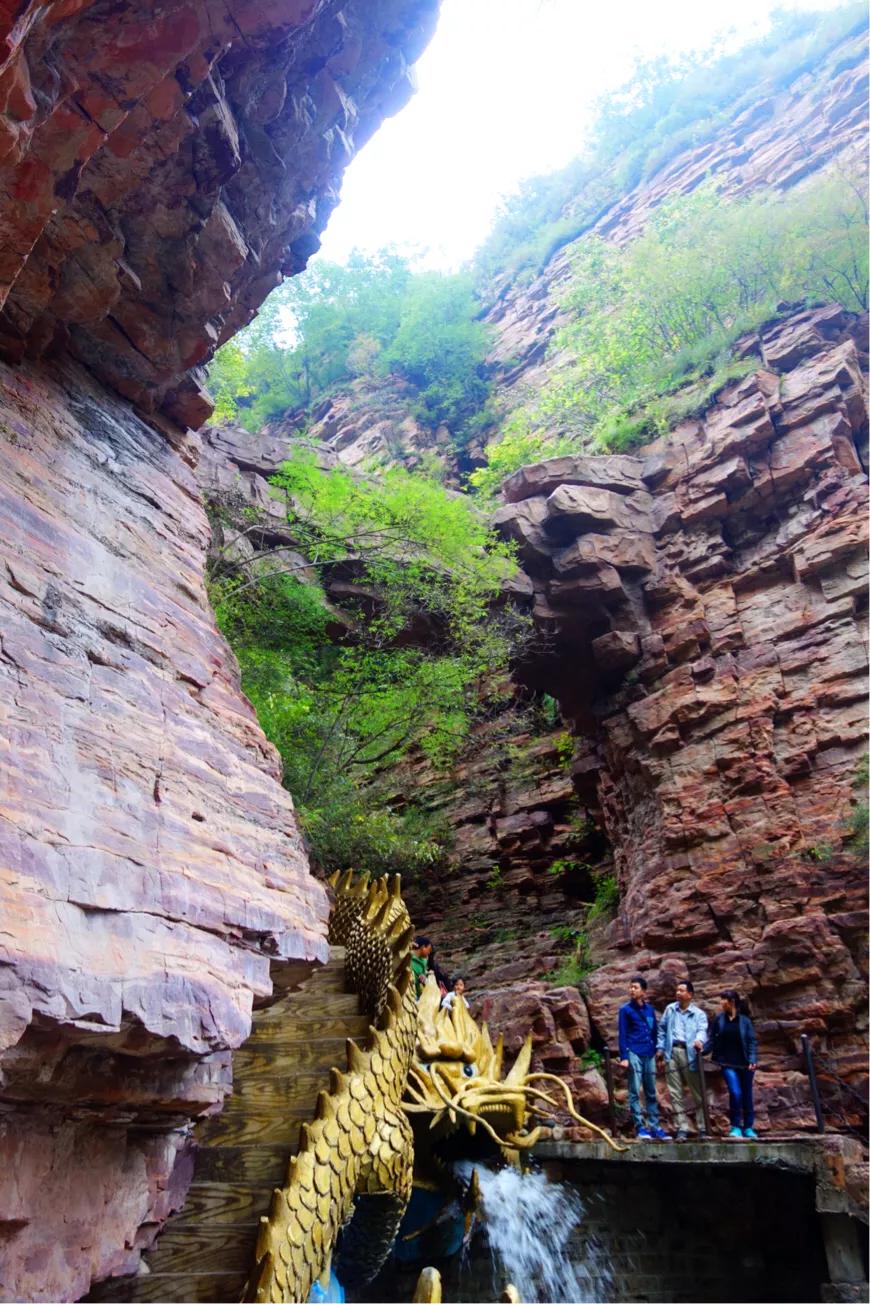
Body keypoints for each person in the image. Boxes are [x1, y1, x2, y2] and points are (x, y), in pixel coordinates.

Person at [618, 976, 670, 1140]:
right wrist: (624, 1056)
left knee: (651, 1091)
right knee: (634, 1090)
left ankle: (654, 1126)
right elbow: (623, 1034)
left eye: (635, 987)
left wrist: (657, 1052)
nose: (632, 990)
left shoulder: (649, 1010)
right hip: (634, 1051)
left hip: (649, 1052)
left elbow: (654, 1032)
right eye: (630, 987)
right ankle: (640, 1126)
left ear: (643, 991)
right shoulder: (625, 1010)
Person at [656, 979, 708, 1140]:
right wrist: (660, 1048)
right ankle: (681, 1128)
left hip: (689, 1053)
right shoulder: (670, 1009)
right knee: (675, 1091)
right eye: (677, 990)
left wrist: (699, 1041)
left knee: (697, 1091)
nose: (678, 993)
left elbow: (702, 1030)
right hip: (672, 1052)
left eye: (682, 990)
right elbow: (662, 1029)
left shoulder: (698, 1014)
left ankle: (702, 1127)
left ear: (690, 994)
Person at [704, 989, 759, 1139]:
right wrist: (701, 1051)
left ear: (732, 1002)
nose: (721, 1003)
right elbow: (712, 1040)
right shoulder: (719, 1020)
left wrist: (753, 1059)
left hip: (745, 1064)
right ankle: (735, 1126)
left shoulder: (745, 1021)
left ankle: (748, 1127)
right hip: (727, 1063)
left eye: (724, 1000)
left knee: (747, 1095)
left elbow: (752, 1042)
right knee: (735, 1093)